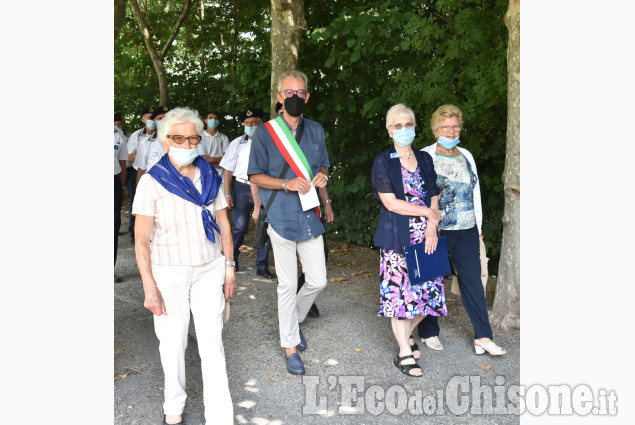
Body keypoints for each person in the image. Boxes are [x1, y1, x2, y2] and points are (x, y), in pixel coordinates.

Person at [132, 107, 235, 425]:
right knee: (173, 343)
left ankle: (220, 417)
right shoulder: (152, 182)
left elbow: (224, 225)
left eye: (193, 138)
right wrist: (149, 286)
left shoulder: (211, 176)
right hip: (169, 273)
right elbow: (140, 240)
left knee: (212, 344)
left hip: (209, 268)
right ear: (165, 142)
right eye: (179, 138)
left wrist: (229, 266)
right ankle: (173, 405)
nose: (187, 144)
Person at [248, 70, 330, 375]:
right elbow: (254, 175)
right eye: (289, 93)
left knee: (318, 280)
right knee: (285, 284)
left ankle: (292, 323)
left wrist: (322, 176)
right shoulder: (265, 133)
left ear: (307, 97)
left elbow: (323, 164)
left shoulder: (317, 130)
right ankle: (290, 346)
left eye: (300, 93)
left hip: (310, 216)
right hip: (281, 216)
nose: (294, 98)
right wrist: (285, 184)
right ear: (280, 97)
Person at [416, 104, 506, 356]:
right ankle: (428, 332)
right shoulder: (425, 156)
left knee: (474, 283)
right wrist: (426, 227)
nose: (451, 131)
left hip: (467, 229)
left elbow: (474, 191)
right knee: (432, 281)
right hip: (437, 229)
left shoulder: (465, 154)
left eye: (455, 126)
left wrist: (478, 225)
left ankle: (483, 336)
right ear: (435, 130)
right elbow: (420, 195)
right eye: (446, 127)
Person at [371, 103, 448, 377]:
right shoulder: (383, 161)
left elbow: (434, 193)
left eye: (409, 124)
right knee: (400, 297)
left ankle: (406, 335)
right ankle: (404, 351)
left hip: (427, 237)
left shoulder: (425, 159)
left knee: (429, 297)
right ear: (390, 130)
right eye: (398, 125)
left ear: (415, 127)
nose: (404, 129)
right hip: (397, 238)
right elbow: (391, 203)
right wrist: (427, 212)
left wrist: (432, 223)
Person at [219, 107, 274, 278]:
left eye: (254, 123)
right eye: (247, 123)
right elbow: (228, 171)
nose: (250, 125)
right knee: (240, 227)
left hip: (264, 187)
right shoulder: (237, 143)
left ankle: (262, 266)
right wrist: (227, 194)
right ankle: (231, 259)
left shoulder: (270, 141)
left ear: (261, 124)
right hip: (242, 188)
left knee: (264, 226)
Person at [125, 106, 155, 244]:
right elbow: (128, 157)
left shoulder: (164, 135)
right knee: (136, 200)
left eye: (154, 117)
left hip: (155, 173)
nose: (152, 120)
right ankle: (135, 231)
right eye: (149, 117)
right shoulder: (136, 136)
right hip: (137, 171)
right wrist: (146, 151)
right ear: (143, 120)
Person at [135, 106, 169, 184]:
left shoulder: (181, 140)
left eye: (167, 118)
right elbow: (141, 171)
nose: (164, 121)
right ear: (154, 121)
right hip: (153, 187)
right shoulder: (146, 143)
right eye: (160, 118)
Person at [198, 110, 230, 182]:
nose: (213, 120)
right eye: (210, 118)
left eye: (216, 118)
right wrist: (222, 162)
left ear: (218, 121)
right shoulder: (200, 137)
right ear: (205, 120)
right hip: (205, 175)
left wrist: (211, 160)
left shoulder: (224, 138)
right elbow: (203, 159)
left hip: (222, 177)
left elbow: (229, 159)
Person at [114, 129, 128, 283]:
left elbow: (123, 163)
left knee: (113, 227)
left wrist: (123, 187)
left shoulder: (117, 134)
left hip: (113, 183)